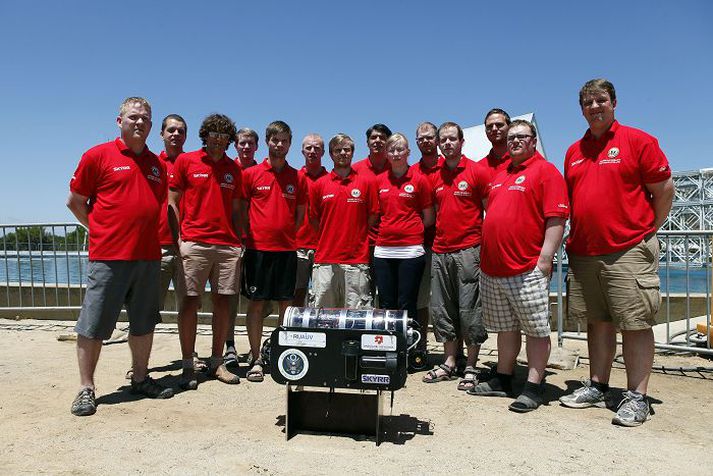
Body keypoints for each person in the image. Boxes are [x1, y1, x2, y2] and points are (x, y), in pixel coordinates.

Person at [559, 79, 674, 427]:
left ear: (614, 103)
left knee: (636, 324)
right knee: (598, 321)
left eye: (601, 100)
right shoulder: (574, 151)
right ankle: (598, 385)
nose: (595, 107)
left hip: (628, 250)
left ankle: (637, 397)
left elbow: (664, 189)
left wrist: (646, 231)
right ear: (581, 108)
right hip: (584, 251)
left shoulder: (638, 141)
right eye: (588, 102)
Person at [67, 97, 173, 416]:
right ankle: (86, 387)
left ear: (151, 126)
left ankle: (140, 378)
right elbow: (75, 201)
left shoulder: (157, 166)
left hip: (147, 257)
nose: (140, 122)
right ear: (120, 121)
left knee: (144, 322)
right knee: (94, 324)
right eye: (133, 117)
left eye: (145, 119)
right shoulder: (98, 156)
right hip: (109, 256)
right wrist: (97, 228)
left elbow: (154, 206)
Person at [468, 119, 569, 413]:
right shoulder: (501, 174)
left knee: (536, 329)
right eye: (511, 137)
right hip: (494, 269)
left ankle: (534, 386)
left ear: (533, 140)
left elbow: (556, 218)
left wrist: (546, 258)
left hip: (526, 268)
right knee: (506, 329)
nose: (514, 141)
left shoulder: (545, 171)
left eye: (520, 136)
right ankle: (503, 378)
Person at [169, 113, 243, 389]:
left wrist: (239, 241)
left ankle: (216, 362)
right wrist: (178, 239)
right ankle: (188, 364)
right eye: (214, 136)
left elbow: (237, 209)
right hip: (194, 242)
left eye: (224, 137)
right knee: (189, 303)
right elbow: (172, 202)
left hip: (226, 246)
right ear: (205, 136)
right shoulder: (186, 161)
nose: (219, 141)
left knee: (223, 303)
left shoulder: (233, 169)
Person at [422, 122, 490, 386]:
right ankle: (450, 361)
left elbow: (490, 212)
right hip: (440, 251)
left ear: (462, 142)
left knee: (470, 309)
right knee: (442, 309)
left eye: (452, 139)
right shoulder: (434, 176)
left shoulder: (477, 171)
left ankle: (471, 366)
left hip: (469, 251)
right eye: (444, 140)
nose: (447, 143)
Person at [241, 120, 307, 382]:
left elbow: (300, 216)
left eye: (284, 141)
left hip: (286, 251)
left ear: (290, 144)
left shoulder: (297, 178)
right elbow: (241, 212)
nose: (279, 145)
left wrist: (285, 234)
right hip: (257, 250)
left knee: (285, 305)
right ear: (267, 142)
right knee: (256, 304)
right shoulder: (251, 174)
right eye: (275, 140)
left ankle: (281, 356)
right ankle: (256, 358)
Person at [309, 133, 379, 308]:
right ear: (331, 154)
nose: (342, 153)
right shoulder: (320, 184)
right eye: (337, 150)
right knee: (323, 315)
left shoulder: (366, 182)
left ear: (353, 153)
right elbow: (315, 220)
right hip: (326, 260)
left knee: (357, 317)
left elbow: (372, 217)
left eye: (346, 150)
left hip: (356, 261)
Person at [374, 133, 434, 328]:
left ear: (408, 152)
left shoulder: (420, 180)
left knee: (407, 303)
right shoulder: (380, 181)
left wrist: (410, 230)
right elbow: (375, 215)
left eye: (400, 149)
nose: (396, 153)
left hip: (410, 251)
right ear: (386, 154)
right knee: (386, 303)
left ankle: (410, 349)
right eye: (392, 150)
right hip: (383, 250)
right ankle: (387, 347)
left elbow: (429, 217)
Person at [224, 127, 260, 366]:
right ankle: (229, 346)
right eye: (241, 143)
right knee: (228, 298)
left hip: (257, 244)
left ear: (257, 146)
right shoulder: (228, 169)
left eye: (250, 143)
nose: (246, 147)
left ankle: (255, 347)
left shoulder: (261, 172)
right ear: (235, 146)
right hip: (230, 242)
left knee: (259, 299)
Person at [352, 124, 393, 298]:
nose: (377, 141)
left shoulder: (397, 167)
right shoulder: (355, 169)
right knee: (362, 293)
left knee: (387, 294)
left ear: (388, 142)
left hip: (389, 242)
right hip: (362, 243)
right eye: (373, 137)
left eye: (382, 137)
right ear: (367, 142)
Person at [411, 122, 440, 357]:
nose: (425, 142)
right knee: (420, 300)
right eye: (421, 139)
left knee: (448, 302)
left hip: (450, 243)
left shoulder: (449, 167)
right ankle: (419, 347)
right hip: (420, 244)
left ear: (437, 139)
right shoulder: (412, 172)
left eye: (429, 137)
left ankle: (456, 354)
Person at [294, 133, 328, 307]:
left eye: (317, 148)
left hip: (323, 246)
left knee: (320, 295)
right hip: (298, 245)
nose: (313, 151)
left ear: (323, 152)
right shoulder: (294, 177)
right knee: (296, 292)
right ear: (302, 151)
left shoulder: (330, 180)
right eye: (309, 147)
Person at [480, 108, 511, 178]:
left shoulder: (526, 158)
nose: (494, 129)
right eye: (489, 126)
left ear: (509, 128)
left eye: (499, 125)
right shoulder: (478, 167)